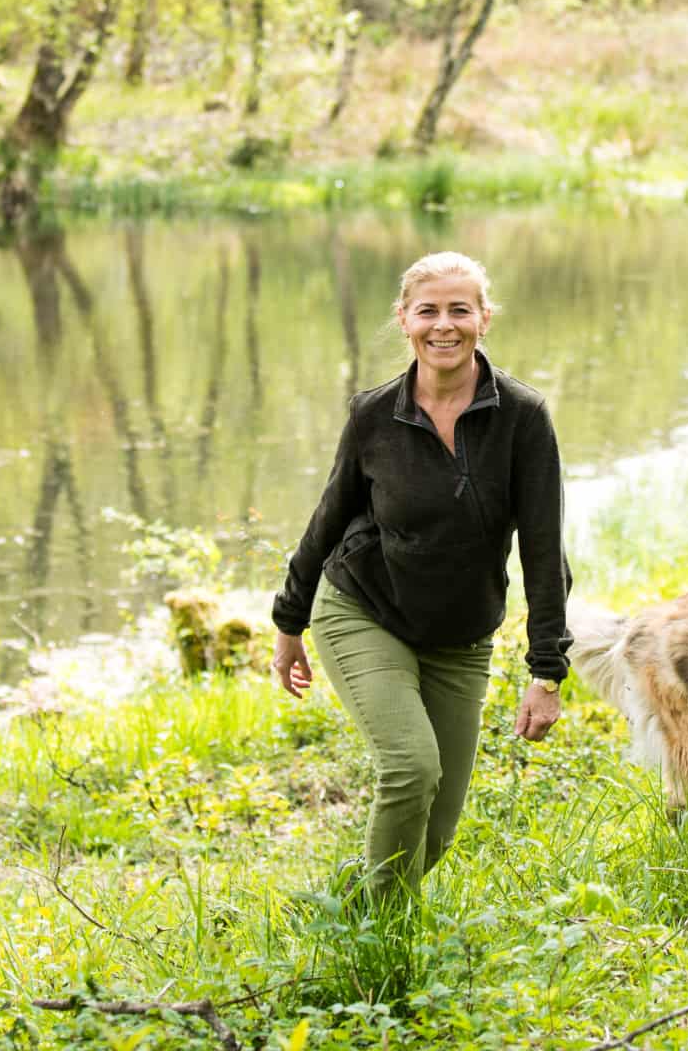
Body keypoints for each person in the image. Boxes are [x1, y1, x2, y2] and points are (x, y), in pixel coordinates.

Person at [270, 250, 571, 899]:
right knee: (410, 767)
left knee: (433, 832)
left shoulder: (522, 419)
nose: (444, 325)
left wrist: (546, 671)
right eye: (427, 310)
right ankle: (379, 945)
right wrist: (288, 621)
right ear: (403, 319)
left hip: (460, 637)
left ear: (484, 319)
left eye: (459, 310)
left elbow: (544, 552)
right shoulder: (374, 415)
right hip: (364, 609)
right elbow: (327, 519)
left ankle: (343, 912)